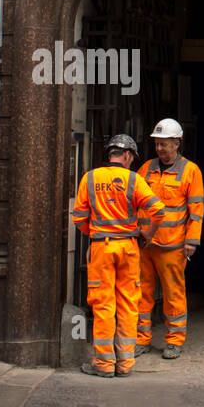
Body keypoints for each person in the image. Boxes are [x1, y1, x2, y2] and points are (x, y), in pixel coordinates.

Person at [71, 134, 165, 377]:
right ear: (127, 155)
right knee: (128, 304)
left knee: (103, 304)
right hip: (129, 248)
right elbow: (159, 211)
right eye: (132, 157)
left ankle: (103, 364)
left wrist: (97, 232)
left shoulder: (90, 178)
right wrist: (147, 234)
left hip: (102, 247)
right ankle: (124, 363)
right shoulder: (133, 179)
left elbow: (79, 219)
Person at [135, 118, 204, 360]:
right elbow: (136, 202)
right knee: (142, 293)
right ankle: (140, 339)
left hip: (173, 246)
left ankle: (175, 341)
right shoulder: (146, 169)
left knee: (173, 294)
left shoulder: (191, 171)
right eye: (157, 144)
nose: (160, 149)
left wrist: (191, 242)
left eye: (164, 144)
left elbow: (196, 209)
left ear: (177, 143)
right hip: (146, 244)